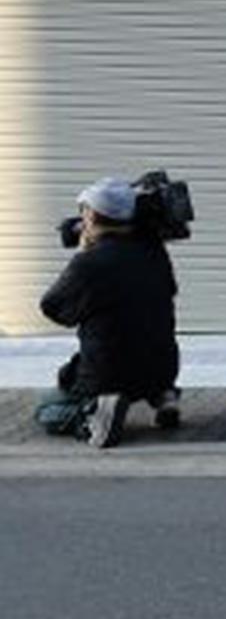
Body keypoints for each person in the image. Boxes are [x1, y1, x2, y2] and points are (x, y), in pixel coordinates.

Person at [40, 178, 182, 448]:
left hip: (108, 373)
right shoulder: (154, 250)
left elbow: (54, 308)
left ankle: (96, 417)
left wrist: (82, 254)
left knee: (48, 408)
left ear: (92, 215)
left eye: (83, 211)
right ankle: (165, 396)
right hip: (162, 367)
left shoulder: (89, 263)